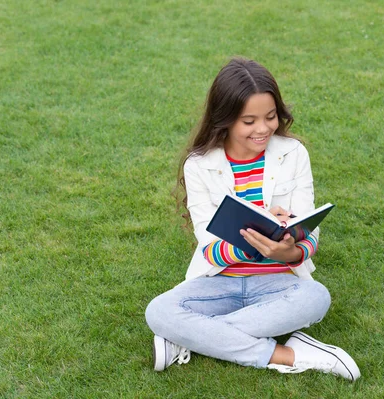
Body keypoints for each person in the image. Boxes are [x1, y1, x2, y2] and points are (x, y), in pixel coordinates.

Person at [145, 57, 360, 382]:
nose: (263, 129)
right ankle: (290, 353)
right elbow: (209, 247)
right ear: (225, 119)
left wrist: (288, 252)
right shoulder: (199, 165)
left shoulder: (294, 154)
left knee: (316, 298)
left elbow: (308, 230)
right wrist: (252, 241)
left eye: (270, 117)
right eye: (249, 121)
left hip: (279, 283)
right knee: (158, 311)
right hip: (219, 280)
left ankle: (191, 337)